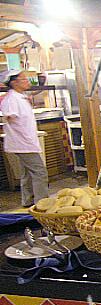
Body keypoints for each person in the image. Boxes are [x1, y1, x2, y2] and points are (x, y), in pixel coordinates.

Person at [0, 70, 49, 207]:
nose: (27, 81)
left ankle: (28, 201)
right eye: (23, 79)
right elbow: (8, 117)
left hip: (25, 141)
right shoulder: (11, 99)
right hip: (22, 143)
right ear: (14, 82)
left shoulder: (20, 97)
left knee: (27, 173)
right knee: (40, 172)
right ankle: (42, 204)